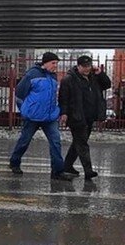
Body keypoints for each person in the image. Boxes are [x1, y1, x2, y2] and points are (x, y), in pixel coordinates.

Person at [8, 52, 75, 180]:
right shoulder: (32, 74)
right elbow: (20, 93)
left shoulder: (53, 77)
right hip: (33, 116)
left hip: (49, 117)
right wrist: (25, 109)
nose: (55, 66)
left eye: (57, 63)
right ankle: (14, 162)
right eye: (53, 63)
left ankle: (58, 171)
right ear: (45, 63)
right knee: (24, 141)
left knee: (55, 142)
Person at [58, 55, 112, 179]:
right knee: (82, 143)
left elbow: (107, 85)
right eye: (84, 66)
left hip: (89, 116)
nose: (87, 69)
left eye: (89, 66)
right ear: (78, 66)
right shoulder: (69, 79)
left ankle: (67, 165)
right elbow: (63, 98)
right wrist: (64, 113)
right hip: (76, 116)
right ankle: (88, 171)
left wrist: (100, 73)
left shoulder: (94, 77)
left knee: (79, 142)